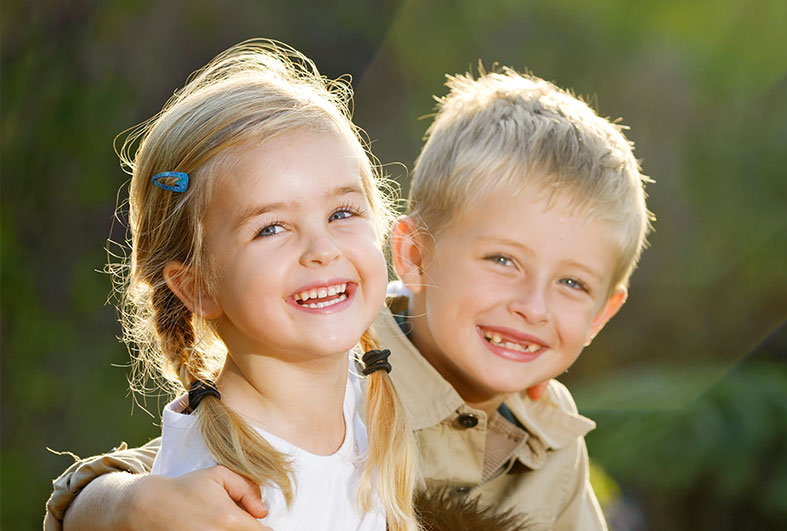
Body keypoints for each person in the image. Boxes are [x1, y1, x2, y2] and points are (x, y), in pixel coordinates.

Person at [45, 65, 652, 530]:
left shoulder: (552, 434)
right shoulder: (347, 351)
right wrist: (115, 505)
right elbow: (190, 468)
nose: (533, 307)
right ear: (413, 256)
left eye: (571, 284)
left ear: (603, 313)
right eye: (502, 261)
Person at [45, 39, 421, 531]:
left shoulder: (370, 399)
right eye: (270, 228)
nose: (322, 248)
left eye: (342, 212)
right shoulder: (213, 494)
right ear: (197, 286)